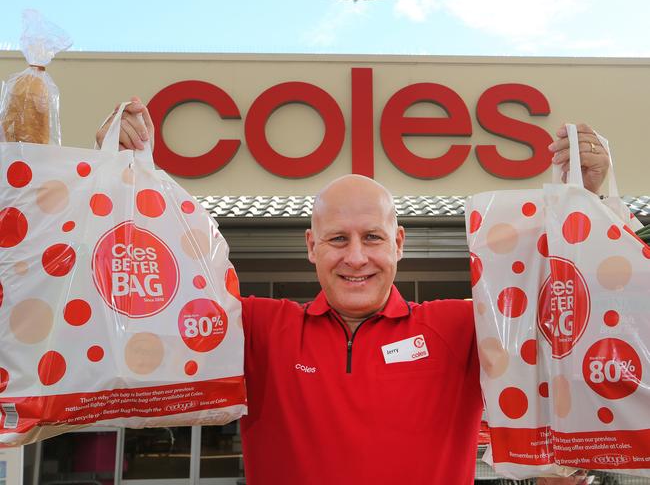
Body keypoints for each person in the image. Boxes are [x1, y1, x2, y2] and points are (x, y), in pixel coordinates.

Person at [97, 99, 610, 484]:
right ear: (310, 245)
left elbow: (567, 307)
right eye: (338, 239)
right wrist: (124, 180)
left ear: (399, 243)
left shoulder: (461, 326)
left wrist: (587, 200)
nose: (356, 257)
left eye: (373, 238)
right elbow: (151, 299)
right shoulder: (259, 328)